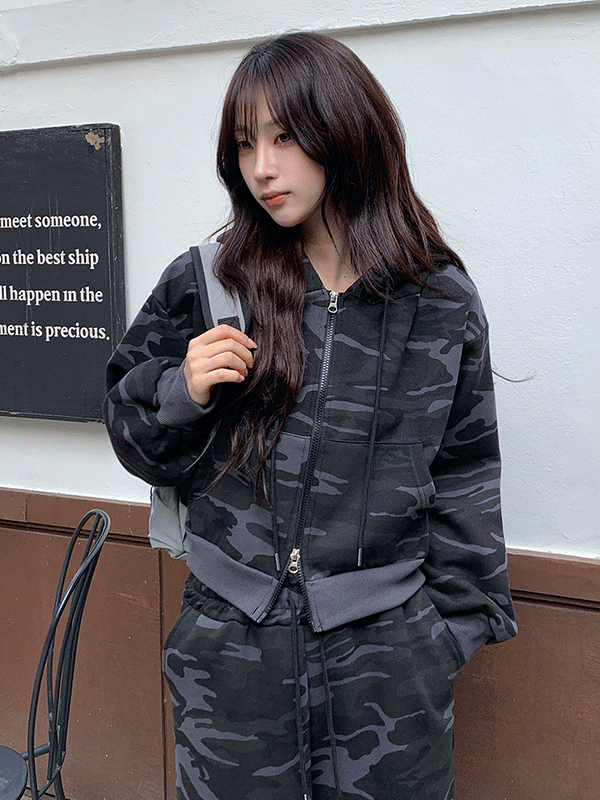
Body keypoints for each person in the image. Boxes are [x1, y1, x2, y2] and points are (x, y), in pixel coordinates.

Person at [104, 31, 517, 800]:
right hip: (231, 656)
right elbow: (131, 435)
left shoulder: (438, 301)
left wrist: (443, 639)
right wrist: (180, 392)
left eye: (285, 137)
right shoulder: (209, 282)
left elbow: (466, 471)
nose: (262, 166)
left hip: (388, 669)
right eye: (245, 142)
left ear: (345, 129)